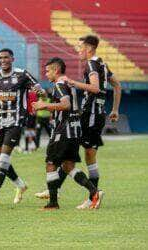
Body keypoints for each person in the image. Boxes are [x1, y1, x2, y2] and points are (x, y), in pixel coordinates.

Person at [35, 35, 122, 208]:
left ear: (89, 48)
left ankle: (92, 194)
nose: (78, 50)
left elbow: (95, 88)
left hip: (90, 114)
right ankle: (57, 189)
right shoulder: (102, 64)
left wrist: (73, 82)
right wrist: (114, 109)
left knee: (74, 152)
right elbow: (117, 85)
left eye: (80, 46)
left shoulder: (91, 64)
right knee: (80, 155)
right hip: (98, 114)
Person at [33, 57, 102, 210]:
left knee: (51, 164)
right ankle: (94, 192)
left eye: (48, 71)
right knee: (68, 166)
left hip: (63, 130)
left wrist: (44, 104)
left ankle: (53, 203)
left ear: (56, 70)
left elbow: (65, 105)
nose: (46, 74)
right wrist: (45, 103)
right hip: (74, 129)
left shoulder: (59, 84)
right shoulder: (68, 84)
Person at [0, 48, 41, 205]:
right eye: (0, 58)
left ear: (12, 59)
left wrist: (39, 90)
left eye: (6, 57)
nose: (3, 60)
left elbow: (37, 86)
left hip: (16, 121)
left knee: (4, 158)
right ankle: (20, 185)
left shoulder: (22, 74)